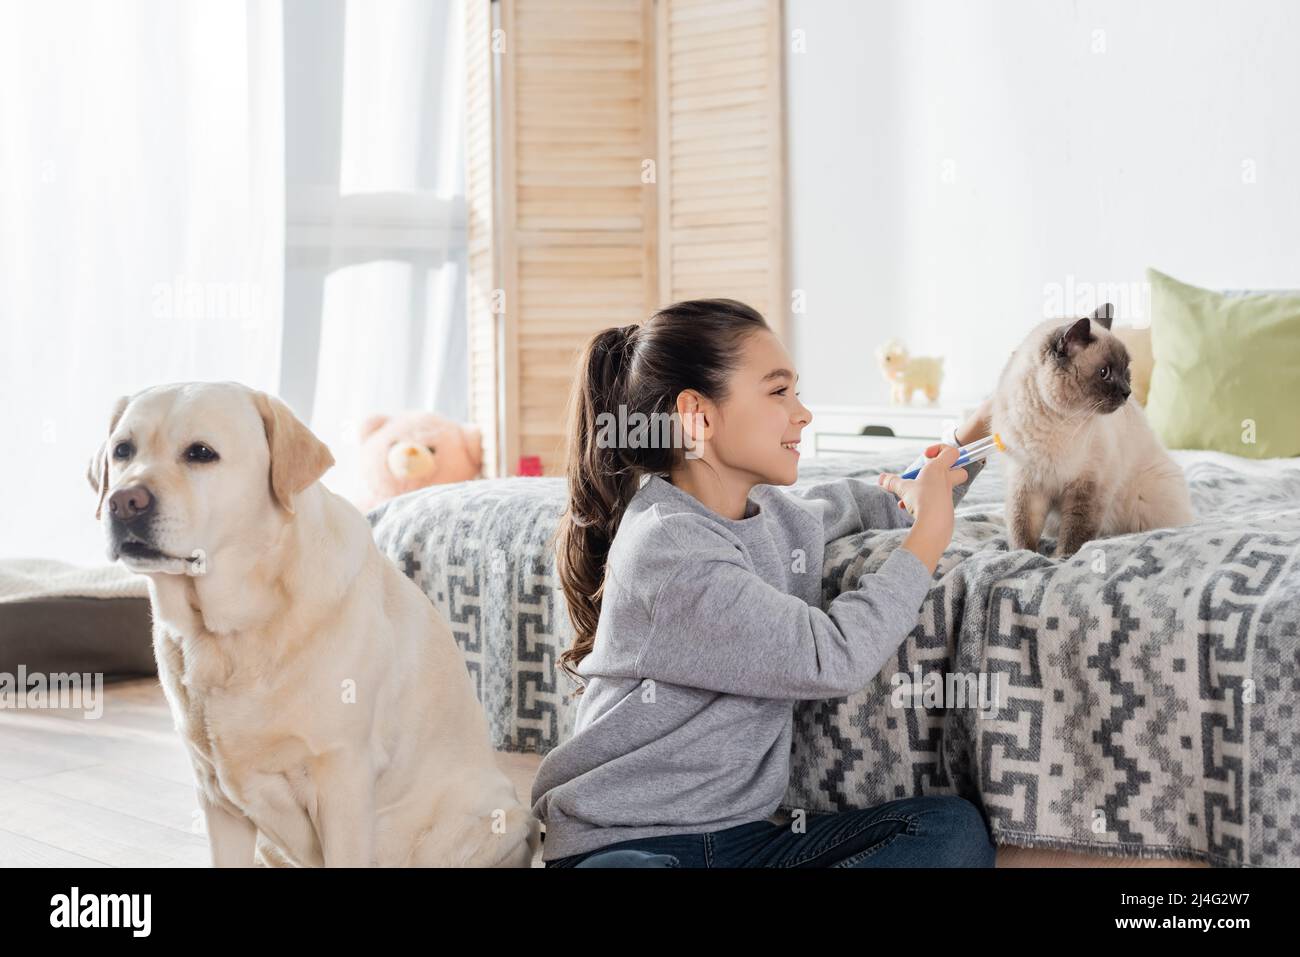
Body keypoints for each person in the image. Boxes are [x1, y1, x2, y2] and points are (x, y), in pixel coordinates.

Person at [533, 298, 996, 868]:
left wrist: (982, 428)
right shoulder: (670, 550)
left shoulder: (775, 514)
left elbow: (891, 497)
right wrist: (929, 535)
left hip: (742, 841)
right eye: (778, 392)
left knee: (949, 831)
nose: (802, 414)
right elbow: (832, 656)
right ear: (696, 415)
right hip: (625, 843)